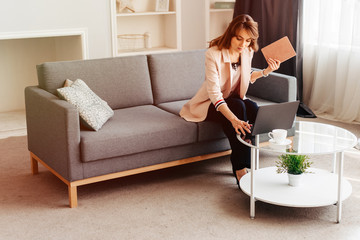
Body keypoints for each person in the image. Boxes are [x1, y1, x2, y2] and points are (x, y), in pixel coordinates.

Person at [180, 14, 281, 187]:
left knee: (253, 108)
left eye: (248, 40)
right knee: (237, 107)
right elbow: (214, 93)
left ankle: (250, 162)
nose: (243, 44)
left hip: (234, 99)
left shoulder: (247, 51)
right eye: (239, 39)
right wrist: (234, 119)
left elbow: (245, 77)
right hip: (211, 103)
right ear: (231, 34)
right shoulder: (213, 54)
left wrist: (266, 71)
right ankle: (240, 168)